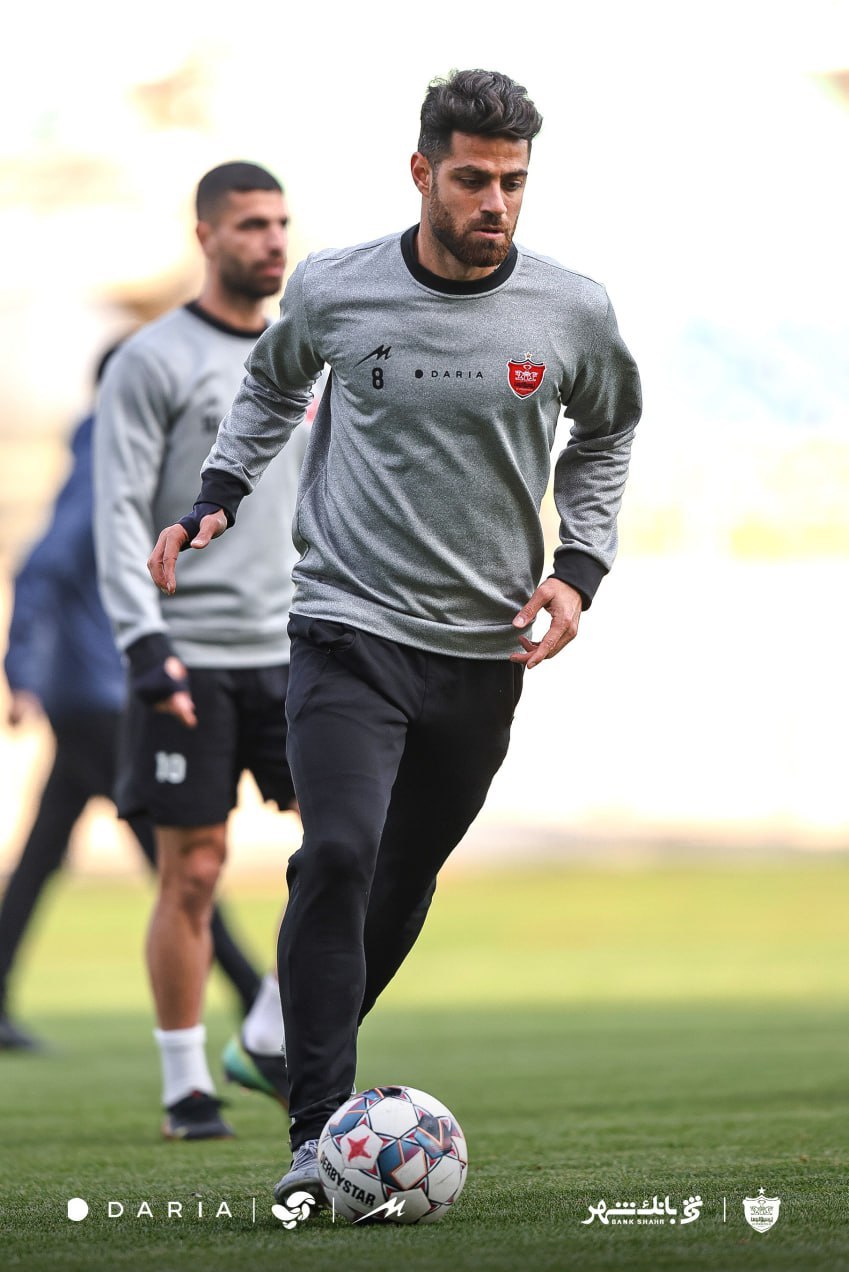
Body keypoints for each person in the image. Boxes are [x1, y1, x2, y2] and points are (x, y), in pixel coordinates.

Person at [148, 70, 642, 1193]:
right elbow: (271, 388)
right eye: (471, 179)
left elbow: (608, 431)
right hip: (345, 627)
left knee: (398, 882)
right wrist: (221, 491)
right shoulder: (337, 287)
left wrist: (579, 569)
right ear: (422, 172)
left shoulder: (572, 309)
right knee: (335, 853)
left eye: (512, 182)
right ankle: (317, 1129)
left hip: (482, 650)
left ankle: (290, 1044)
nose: (493, 202)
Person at [95, 163, 308, 1140]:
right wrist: (145, 644)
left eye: (281, 223)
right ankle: (187, 1087)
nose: (272, 240)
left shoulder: (306, 355)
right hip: (188, 654)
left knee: (354, 849)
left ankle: (266, 1034)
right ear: (206, 236)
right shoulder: (152, 360)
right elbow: (118, 514)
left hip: (302, 647)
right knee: (193, 869)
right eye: (251, 224)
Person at [0, 345, 263, 1053]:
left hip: (97, 688)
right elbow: (42, 566)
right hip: (100, 692)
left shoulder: (122, 452)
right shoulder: (104, 457)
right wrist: (21, 669)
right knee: (180, 853)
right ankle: (257, 999)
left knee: (49, 850)